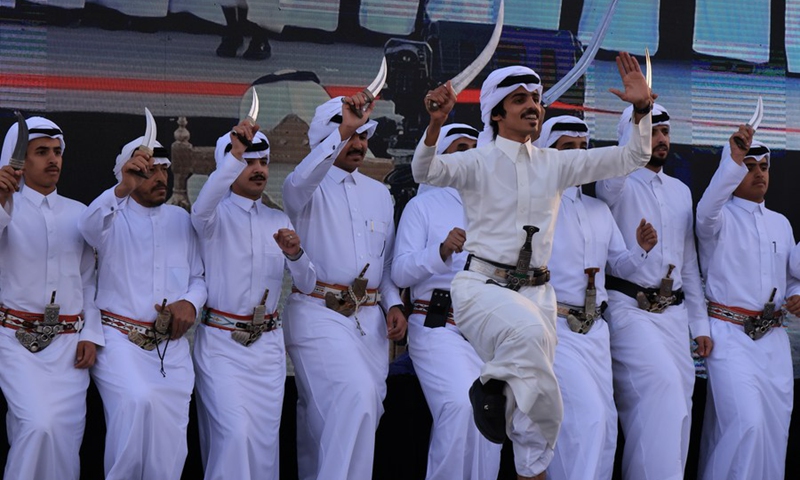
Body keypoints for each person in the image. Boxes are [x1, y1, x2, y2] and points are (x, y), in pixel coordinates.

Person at [413, 52, 654, 480]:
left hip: (538, 296)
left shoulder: (556, 165)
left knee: (547, 408)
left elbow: (629, 158)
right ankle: (492, 391)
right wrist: (435, 124)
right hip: (483, 287)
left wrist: (641, 109)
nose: (532, 107)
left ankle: (530, 470)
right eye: (520, 99)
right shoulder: (477, 162)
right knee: (527, 347)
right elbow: (425, 169)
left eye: (537, 100)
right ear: (496, 112)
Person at [281, 94, 407, 480]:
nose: (359, 144)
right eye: (351, 136)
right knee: (354, 400)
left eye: (363, 136)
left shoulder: (379, 194)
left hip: (369, 326)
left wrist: (394, 305)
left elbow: (383, 267)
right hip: (317, 315)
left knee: (339, 420)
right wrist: (343, 130)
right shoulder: (302, 189)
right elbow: (300, 180)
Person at [533, 115, 657, 480]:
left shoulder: (599, 210)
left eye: (581, 148)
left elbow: (620, 265)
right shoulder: (534, 209)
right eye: (566, 147)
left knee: (604, 428)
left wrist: (642, 250)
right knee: (585, 419)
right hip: (556, 328)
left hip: (597, 333)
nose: (576, 155)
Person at [191, 123, 316, 479]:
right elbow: (201, 209)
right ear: (228, 165)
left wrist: (295, 254)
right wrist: (234, 154)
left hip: (268, 349)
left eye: (263, 161)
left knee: (262, 443)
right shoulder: (211, 217)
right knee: (234, 435)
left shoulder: (278, 218)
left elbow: (307, 283)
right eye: (249, 162)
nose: (259, 169)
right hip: (221, 345)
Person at [595, 103, 712, 480]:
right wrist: (638, 117)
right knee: (660, 390)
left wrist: (701, 325)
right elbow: (612, 181)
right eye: (651, 132)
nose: (660, 139)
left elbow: (689, 265)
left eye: (663, 132)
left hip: (675, 317)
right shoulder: (616, 182)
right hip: (629, 308)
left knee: (679, 407)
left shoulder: (680, 191)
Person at [78, 138, 206, 480]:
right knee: (136, 404)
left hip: (171, 349)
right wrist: (123, 187)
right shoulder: (110, 216)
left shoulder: (181, 219)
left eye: (165, 169)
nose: (161, 177)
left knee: (170, 446)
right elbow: (87, 228)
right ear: (130, 173)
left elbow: (198, 276)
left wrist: (191, 303)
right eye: (150, 171)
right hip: (120, 342)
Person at [393, 123, 502, 480]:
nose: (469, 153)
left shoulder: (493, 210)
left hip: (485, 331)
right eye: (460, 147)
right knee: (458, 406)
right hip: (437, 324)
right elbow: (399, 273)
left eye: (474, 147)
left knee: (491, 416)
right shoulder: (422, 205)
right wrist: (439, 252)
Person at [0, 117, 103, 480]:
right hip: (16, 342)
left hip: (68, 348)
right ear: (19, 161)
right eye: (41, 152)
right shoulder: (5, 208)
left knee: (63, 436)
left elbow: (90, 282)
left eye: (57, 152)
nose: (52, 160)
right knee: (36, 425)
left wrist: (91, 334)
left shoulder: (80, 213)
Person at [696, 130, 800, 480]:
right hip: (729, 337)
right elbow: (707, 209)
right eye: (749, 166)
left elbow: (790, 277)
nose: (758, 173)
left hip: (774, 341)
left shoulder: (781, 224)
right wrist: (733, 160)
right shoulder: (717, 219)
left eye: (764, 166)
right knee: (747, 425)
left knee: (773, 430)